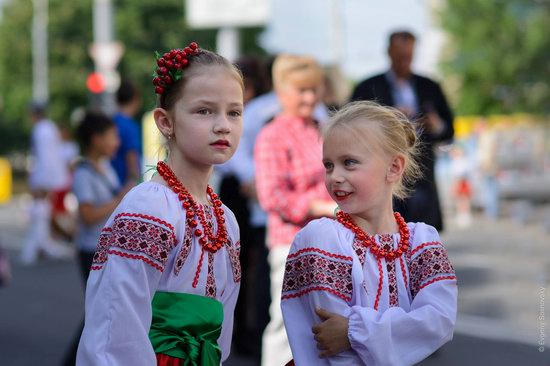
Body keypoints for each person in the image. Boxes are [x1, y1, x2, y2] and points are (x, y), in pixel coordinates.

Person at [77, 42, 244, 365]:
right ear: (165, 122)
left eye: (234, 112)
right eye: (204, 111)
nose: (223, 124)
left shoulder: (225, 219)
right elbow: (117, 317)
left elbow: (223, 325)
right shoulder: (150, 207)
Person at [281, 101, 457, 365]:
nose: (335, 177)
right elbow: (330, 342)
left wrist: (354, 331)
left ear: (394, 167)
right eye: (328, 165)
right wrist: (398, 329)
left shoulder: (421, 241)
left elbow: (438, 320)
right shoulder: (322, 239)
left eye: (349, 163)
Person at [254, 54, 336, 366]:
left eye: (314, 89)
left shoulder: (324, 128)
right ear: (281, 91)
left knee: (328, 319)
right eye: (301, 90)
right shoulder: (272, 134)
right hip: (291, 242)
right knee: (284, 324)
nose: (310, 97)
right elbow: (271, 196)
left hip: (330, 238)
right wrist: (319, 205)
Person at [351, 30, 454, 231]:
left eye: (408, 57)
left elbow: (448, 129)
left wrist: (435, 125)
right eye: (399, 56)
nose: (404, 62)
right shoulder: (368, 87)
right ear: (389, 52)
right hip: (380, 176)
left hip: (420, 179)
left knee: (421, 241)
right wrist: (388, 119)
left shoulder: (429, 87)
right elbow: (351, 126)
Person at [62, 111, 133, 366]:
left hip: (103, 248)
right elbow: (88, 215)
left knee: (101, 311)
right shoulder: (84, 174)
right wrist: (119, 200)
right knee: (99, 312)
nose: (117, 142)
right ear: (96, 139)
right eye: (112, 136)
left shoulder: (104, 167)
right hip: (91, 249)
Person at [20, 102, 73, 265]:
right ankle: (41, 245)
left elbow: (44, 159)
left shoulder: (40, 130)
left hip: (47, 177)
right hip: (56, 176)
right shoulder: (50, 127)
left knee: (43, 212)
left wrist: (38, 181)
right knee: (46, 212)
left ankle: (40, 246)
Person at [111, 79, 142, 185]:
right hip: (126, 185)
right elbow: (132, 158)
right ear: (135, 98)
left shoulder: (112, 122)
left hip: (113, 183)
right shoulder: (130, 126)